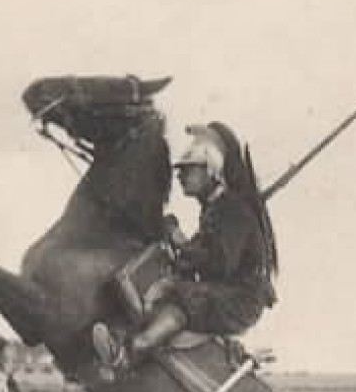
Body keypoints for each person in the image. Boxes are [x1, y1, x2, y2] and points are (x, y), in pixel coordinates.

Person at [92, 121, 278, 377]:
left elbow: (219, 264)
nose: (179, 176)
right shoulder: (214, 209)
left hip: (239, 299)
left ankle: (128, 354)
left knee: (182, 296)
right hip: (223, 291)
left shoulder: (233, 209)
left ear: (211, 171)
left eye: (188, 170)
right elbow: (202, 257)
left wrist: (179, 242)